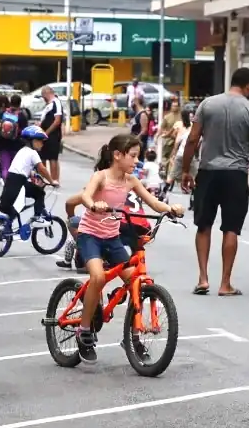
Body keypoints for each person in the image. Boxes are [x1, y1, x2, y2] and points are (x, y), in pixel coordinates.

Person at [75, 133, 185, 361]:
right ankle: (84, 331)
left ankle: (132, 337)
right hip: (91, 236)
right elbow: (86, 195)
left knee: (136, 281)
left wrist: (170, 208)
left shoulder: (131, 181)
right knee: (98, 277)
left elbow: (153, 202)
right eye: (133, 156)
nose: (137, 161)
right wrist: (94, 205)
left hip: (112, 238)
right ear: (117, 155)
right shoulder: (101, 177)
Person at [180, 68, 249, 297]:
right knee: (230, 228)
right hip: (235, 175)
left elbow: (192, 139)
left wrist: (185, 170)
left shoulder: (207, 105)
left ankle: (203, 279)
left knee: (204, 225)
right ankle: (225, 284)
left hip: (208, 172)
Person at [0, 125, 57, 240]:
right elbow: (42, 169)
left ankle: (7, 225)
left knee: (15, 206)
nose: (42, 144)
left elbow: (22, 168)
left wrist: (32, 174)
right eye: (39, 141)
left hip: (11, 180)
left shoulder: (22, 151)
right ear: (32, 141)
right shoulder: (32, 153)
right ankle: (38, 217)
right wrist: (51, 181)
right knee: (39, 193)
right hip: (19, 182)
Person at [38, 85, 65, 181]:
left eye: (43, 96)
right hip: (45, 133)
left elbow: (57, 121)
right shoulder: (49, 104)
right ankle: (45, 178)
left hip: (53, 134)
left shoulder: (56, 102)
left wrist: (46, 133)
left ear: (46, 93)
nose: (43, 99)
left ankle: (54, 179)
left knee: (52, 158)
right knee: (43, 157)